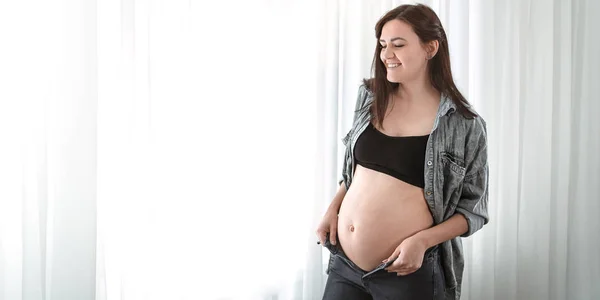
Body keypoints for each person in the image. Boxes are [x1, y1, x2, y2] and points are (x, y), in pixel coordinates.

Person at [316, 4, 489, 300]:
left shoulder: (463, 124)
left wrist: (422, 241)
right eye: (383, 45)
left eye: (398, 44)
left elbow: (473, 210)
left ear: (430, 48)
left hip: (405, 272)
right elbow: (354, 174)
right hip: (344, 264)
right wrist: (333, 208)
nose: (386, 55)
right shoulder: (370, 98)